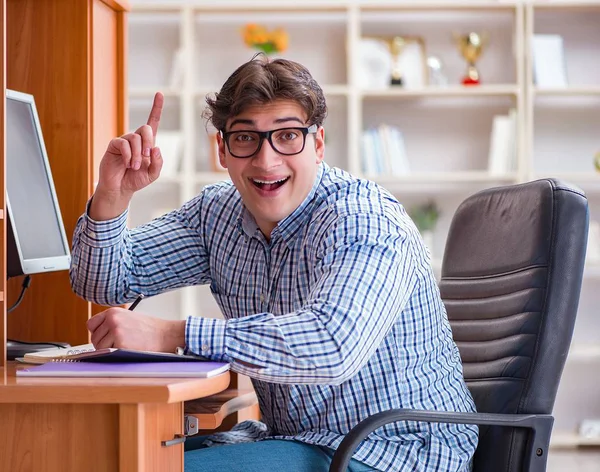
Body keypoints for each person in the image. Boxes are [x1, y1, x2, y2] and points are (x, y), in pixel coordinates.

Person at [70, 55, 478, 472]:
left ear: (317, 144)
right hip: (301, 440)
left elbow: (331, 346)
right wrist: (112, 198)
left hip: (397, 450)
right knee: (109, 455)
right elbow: (104, 282)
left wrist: (173, 334)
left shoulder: (364, 219)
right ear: (223, 151)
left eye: (286, 136)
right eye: (246, 138)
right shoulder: (217, 215)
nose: (266, 161)